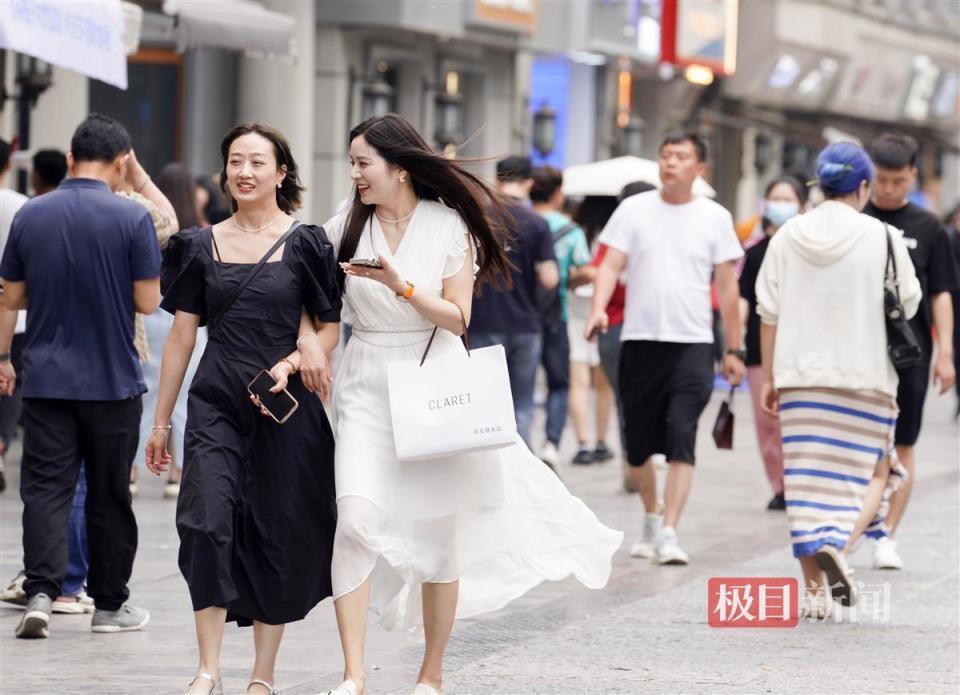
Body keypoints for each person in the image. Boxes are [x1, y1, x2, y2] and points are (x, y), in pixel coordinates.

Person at [325, 113, 622, 695]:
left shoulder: (449, 226)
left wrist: (400, 285)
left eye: (364, 162)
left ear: (399, 168)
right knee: (355, 521)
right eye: (353, 163)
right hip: (361, 382)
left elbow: (460, 317)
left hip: (431, 376)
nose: (355, 173)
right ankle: (353, 675)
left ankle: (431, 674)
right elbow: (324, 314)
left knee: (439, 539)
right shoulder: (342, 225)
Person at [143, 123, 341, 695]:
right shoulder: (197, 245)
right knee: (204, 522)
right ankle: (208, 668)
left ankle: (263, 674)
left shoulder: (306, 243)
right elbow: (181, 337)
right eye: (235, 161)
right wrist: (160, 423)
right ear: (225, 171)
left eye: (258, 161)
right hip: (216, 403)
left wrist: (296, 358)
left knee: (275, 530)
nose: (245, 171)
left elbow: (329, 330)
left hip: (283, 406)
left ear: (281, 173)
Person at [0, 114, 159, 639]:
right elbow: (148, 300)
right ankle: (110, 606)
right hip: (113, 381)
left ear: (69, 159)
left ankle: (43, 591)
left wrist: (4, 358)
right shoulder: (132, 220)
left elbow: (11, 299)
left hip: (46, 379)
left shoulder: (31, 215)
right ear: (120, 164)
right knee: (109, 492)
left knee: (45, 489)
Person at [756, 142, 921, 618]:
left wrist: (770, 376)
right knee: (876, 472)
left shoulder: (786, 235)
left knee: (806, 484)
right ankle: (839, 545)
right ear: (863, 187)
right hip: (865, 377)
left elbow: (768, 311)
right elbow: (908, 303)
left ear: (820, 185)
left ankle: (813, 594)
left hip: (799, 379)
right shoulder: (885, 236)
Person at [586, 132, 746, 566]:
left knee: (681, 435)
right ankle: (652, 517)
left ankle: (670, 532)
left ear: (700, 168)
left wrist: (735, 349)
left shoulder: (715, 217)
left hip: (693, 344)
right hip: (640, 341)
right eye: (665, 155)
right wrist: (599, 309)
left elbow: (728, 288)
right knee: (638, 450)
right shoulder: (633, 211)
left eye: (681, 156)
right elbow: (609, 265)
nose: (670, 162)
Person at [862, 133, 958, 570]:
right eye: (881, 180)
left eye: (897, 181)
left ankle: (887, 535)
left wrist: (945, 354)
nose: (888, 189)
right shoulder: (856, 218)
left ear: (912, 177)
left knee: (903, 446)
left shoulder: (928, 226)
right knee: (863, 445)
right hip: (859, 353)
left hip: (912, 355)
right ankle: (860, 518)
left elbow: (941, 293)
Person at [470, 156, 558, 447]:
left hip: (481, 321)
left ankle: (487, 466)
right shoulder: (537, 223)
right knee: (521, 403)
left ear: (496, 180)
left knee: (483, 402)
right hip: (525, 324)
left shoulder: (477, 217)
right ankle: (522, 474)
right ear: (529, 183)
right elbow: (550, 278)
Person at [131, 162, 204, 499]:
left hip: (150, 311)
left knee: (144, 391)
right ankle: (178, 472)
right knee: (184, 395)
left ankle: (130, 468)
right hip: (188, 318)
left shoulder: (150, 224)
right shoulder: (202, 233)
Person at [738, 175, 808, 511]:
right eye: (775, 199)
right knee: (767, 423)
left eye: (787, 199)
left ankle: (801, 485)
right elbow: (742, 301)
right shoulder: (753, 254)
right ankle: (780, 486)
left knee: (797, 419)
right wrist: (733, 345)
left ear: (803, 205)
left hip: (800, 348)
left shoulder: (809, 251)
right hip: (757, 349)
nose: (781, 205)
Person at [587, 182, 656, 485]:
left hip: (614, 327)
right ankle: (638, 459)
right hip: (641, 328)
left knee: (626, 399)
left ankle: (634, 461)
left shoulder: (611, 240)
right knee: (642, 398)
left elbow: (596, 270)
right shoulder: (659, 237)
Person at [530, 166, 594, 467]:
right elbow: (586, 270)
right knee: (558, 382)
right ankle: (551, 443)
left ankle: (521, 442)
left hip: (518, 313)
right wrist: (568, 280)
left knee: (522, 383)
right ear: (556, 194)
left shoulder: (519, 222)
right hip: (556, 313)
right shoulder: (571, 231)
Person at [0, 137, 28, 493]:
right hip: (18, 314)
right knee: (11, 385)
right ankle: (1, 445)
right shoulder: (24, 206)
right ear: (8, 165)